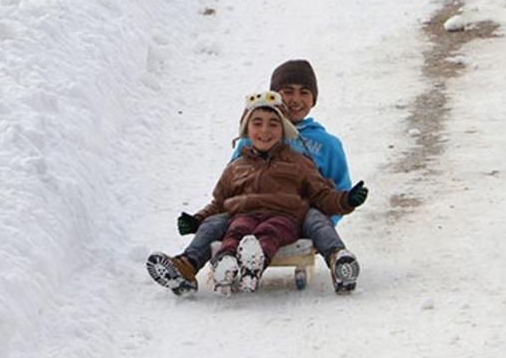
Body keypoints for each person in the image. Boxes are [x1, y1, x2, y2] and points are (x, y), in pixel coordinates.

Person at [147, 60, 363, 294]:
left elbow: (329, 191)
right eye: (287, 91)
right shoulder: (247, 147)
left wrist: (333, 216)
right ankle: (190, 266)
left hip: (297, 215)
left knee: (314, 219)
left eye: (304, 92)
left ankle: (338, 259)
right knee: (216, 223)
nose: (295, 99)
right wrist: (198, 220)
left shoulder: (324, 146)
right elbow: (226, 195)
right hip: (247, 213)